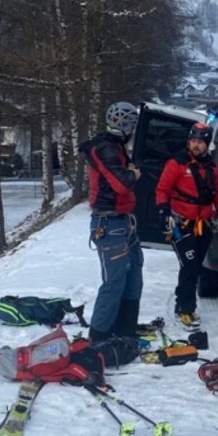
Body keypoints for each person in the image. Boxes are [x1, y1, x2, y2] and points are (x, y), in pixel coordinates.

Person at [78, 101, 143, 342]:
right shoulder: (105, 147)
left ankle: (125, 329)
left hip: (124, 221)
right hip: (110, 224)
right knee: (114, 281)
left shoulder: (115, 146)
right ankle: (99, 336)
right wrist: (134, 173)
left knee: (134, 276)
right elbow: (121, 182)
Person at [155, 122, 218, 329]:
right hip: (181, 224)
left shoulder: (211, 168)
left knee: (196, 266)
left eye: (201, 142)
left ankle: (184, 303)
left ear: (207, 145)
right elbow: (162, 189)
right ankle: (185, 307)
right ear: (188, 142)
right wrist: (164, 212)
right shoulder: (176, 164)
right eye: (193, 141)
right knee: (189, 266)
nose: (196, 146)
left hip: (203, 224)